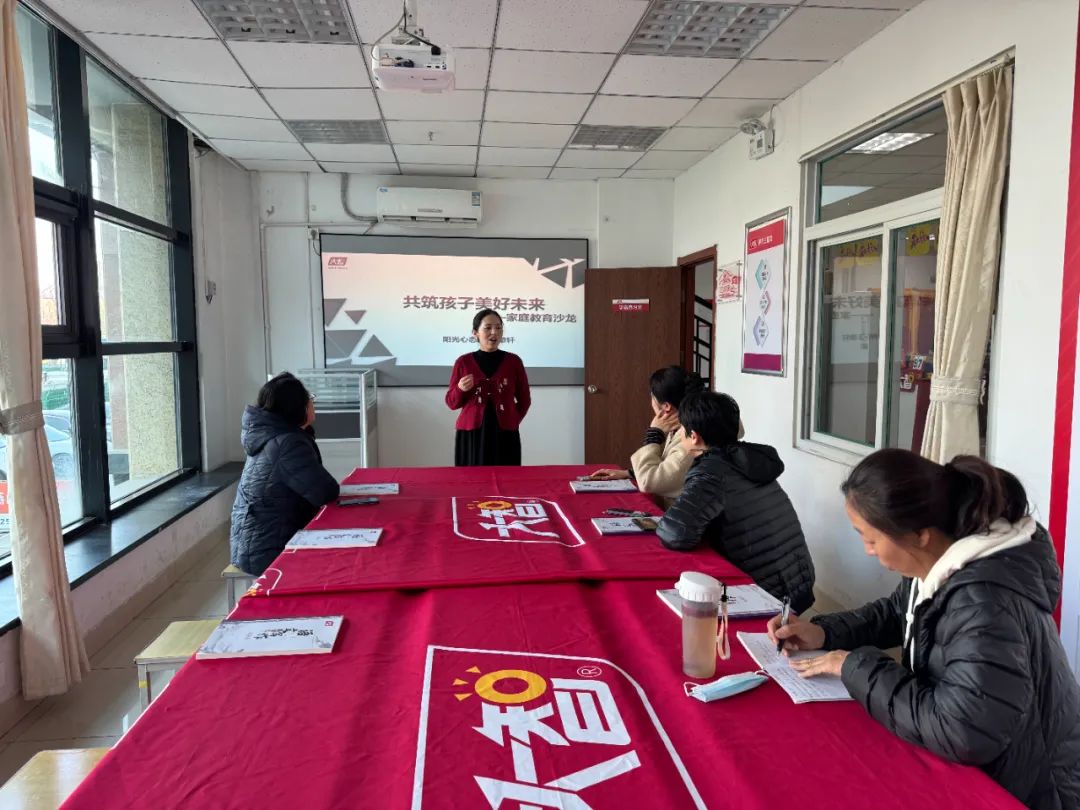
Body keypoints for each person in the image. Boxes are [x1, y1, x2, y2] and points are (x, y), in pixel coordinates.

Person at [768, 450, 1080, 809]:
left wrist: (853, 665)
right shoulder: (942, 561)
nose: (868, 551)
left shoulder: (984, 602)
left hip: (1031, 790)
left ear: (920, 535)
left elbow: (962, 730)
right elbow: (896, 612)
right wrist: (822, 632)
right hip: (990, 767)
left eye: (871, 539)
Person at [656, 391, 815, 612]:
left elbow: (675, 533)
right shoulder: (746, 459)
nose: (680, 434)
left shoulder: (713, 472)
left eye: (682, 429)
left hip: (764, 595)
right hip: (799, 581)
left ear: (694, 436)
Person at [229, 373, 340, 576]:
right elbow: (325, 492)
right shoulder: (287, 444)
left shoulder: (271, 435)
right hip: (267, 549)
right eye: (309, 398)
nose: (312, 403)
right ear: (297, 407)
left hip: (253, 543)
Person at [589, 366, 711, 505]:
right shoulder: (683, 425)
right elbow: (670, 468)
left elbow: (649, 482)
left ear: (666, 406)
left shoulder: (692, 437)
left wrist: (654, 434)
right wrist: (630, 473)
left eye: (652, 397)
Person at [446, 309, 531, 466]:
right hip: (471, 433)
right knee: (471, 478)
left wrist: (512, 420)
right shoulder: (463, 362)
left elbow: (525, 400)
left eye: (498, 328)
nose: (494, 332)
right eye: (488, 328)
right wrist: (460, 389)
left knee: (507, 477)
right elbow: (451, 403)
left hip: (505, 434)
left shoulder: (514, 362)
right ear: (475, 333)